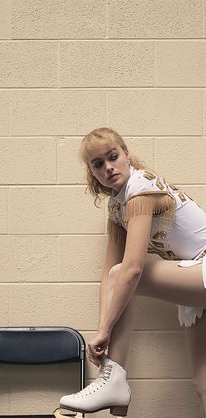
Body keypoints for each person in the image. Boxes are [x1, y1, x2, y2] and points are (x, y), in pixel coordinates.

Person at [60, 127, 206, 417]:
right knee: (203, 382)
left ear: (126, 154)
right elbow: (108, 277)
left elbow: (132, 270)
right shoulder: (117, 207)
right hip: (195, 276)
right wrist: (104, 332)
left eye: (113, 156)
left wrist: (104, 333)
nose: (108, 167)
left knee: (124, 273)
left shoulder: (140, 189)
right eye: (98, 164)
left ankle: (114, 381)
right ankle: (111, 380)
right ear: (93, 173)